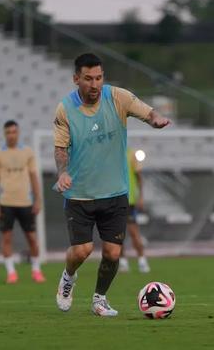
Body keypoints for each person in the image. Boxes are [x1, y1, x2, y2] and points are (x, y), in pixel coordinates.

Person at [53, 53, 170, 316]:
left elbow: (147, 112)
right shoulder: (65, 109)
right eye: (88, 79)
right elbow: (60, 149)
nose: (94, 85)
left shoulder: (118, 97)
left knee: (112, 253)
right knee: (82, 250)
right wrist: (62, 172)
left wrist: (156, 120)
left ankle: (99, 299)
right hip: (80, 194)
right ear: (76, 79)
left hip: (115, 193)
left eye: (98, 78)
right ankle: (68, 278)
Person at [0, 120, 45, 284]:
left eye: (14, 132)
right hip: (6, 202)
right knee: (6, 238)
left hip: (26, 202)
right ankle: (11, 272)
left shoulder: (27, 152)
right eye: (8, 132)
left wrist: (38, 199)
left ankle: (36, 270)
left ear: (18, 133)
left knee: (32, 238)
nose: (11, 135)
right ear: (4, 134)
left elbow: (34, 176)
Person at [119, 148, 150, 273]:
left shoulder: (131, 154)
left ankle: (142, 260)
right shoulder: (109, 153)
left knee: (134, 233)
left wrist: (141, 197)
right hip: (113, 201)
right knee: (117, 235)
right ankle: (123, 262)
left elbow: (139, 177)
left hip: (129, 200)